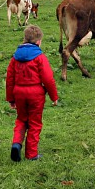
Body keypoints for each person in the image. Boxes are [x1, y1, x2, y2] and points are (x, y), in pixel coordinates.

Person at [6, 24, 58, 162]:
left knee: (21, 119)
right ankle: (31, 154)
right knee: (34, 123)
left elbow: (9, 79)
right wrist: (54, 97)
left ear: (25, 38)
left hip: (19, 93)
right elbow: (48, 79)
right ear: (39, 42)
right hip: (36, 94)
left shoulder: (15, 57)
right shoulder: (40, 57)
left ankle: (16, 144)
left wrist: (11, 99)